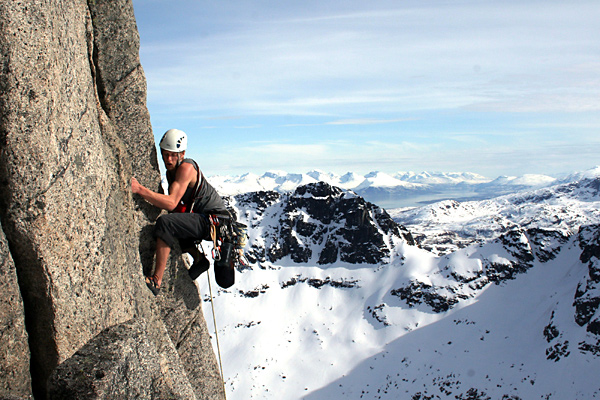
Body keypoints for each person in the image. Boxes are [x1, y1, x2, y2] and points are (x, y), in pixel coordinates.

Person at [131, 128, 229, 295]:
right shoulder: (172, 173)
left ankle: (156, 280)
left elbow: (171, 203)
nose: (168, 159)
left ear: (182, 154)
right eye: (165, 154)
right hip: (208, 220)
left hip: (214, 221)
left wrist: (140, 189)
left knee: (166, 223)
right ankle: (198, 259)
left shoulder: (186, 168)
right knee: (174, 221)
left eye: (173, 155)